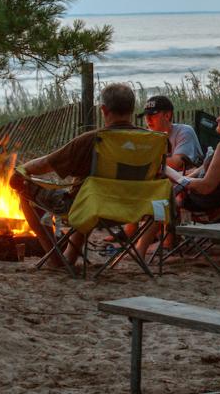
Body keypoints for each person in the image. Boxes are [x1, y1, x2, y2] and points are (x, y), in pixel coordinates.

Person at [11, 82, 145, 267]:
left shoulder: (92, 139)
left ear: (103, 110)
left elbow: (46, 163)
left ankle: (56, 260)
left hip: (93, 208)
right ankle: (70, 255)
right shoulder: (151, 141)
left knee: (24, 190)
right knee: (87, 194)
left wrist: (20, 171)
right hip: (134, 209)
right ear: (132, 108)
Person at [133, 100, 220, 259]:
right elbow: (204, 170)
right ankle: (157, 239)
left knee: (160, 199)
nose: (217, 119)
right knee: (166, 188)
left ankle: (143, 248)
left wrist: (176, 177)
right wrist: (180, 177)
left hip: (210, 200)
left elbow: (206, 187)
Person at [141, 94, 203, 171]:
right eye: (146, 116)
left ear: (167, 115)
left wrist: (144, 161)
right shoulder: (148, 136)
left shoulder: (184, 131)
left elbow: (176, 164)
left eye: (152, 115)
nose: (148, 120)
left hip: (187, 180)